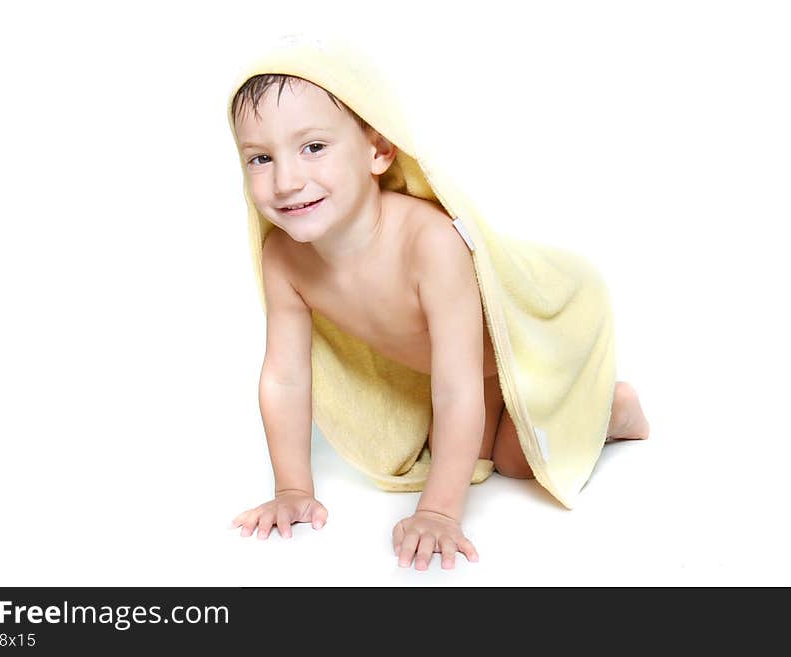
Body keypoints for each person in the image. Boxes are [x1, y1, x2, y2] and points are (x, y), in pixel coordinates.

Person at [228, 74, 650, 570]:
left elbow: (454, 388)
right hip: (470, 372)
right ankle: (543, 415)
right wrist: (292, 488)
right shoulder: (283, 258)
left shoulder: (429, 243)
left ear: (378, 151)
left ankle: (613, 408)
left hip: (537, 347)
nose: (286, 181)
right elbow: (286, 375)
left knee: (518, 464)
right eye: (260, 157)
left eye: (314, 147)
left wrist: (438, 512)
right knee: (469, 457)